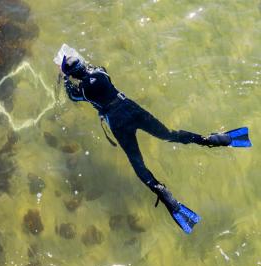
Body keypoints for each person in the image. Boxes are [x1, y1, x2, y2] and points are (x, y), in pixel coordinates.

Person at [60, 56, 252, 234]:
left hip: (116, 121)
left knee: (138, 165)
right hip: (131, 108)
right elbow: (99, 69)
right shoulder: (100, 73)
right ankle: (211, 140)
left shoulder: (83, 90)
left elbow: (72, 95)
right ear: (84, 65)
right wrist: (85, 68)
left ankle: (163, 193)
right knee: (169, 135)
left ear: (74, 74)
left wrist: (65, 79)